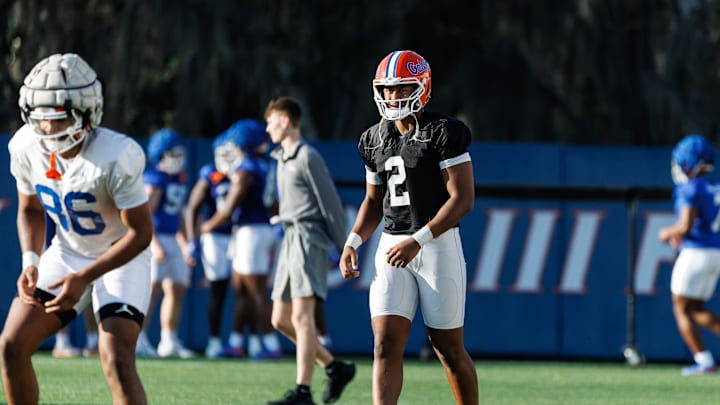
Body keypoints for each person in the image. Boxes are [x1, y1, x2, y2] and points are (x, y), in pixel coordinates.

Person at [0, 52, 152, 404]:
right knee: (12, 345)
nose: (48, 130)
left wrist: (86, 277)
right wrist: (30, 261)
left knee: (116, 357)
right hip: (68, 253)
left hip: (121, 257)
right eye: (40, 120)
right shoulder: (24, 146)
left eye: (58, 118)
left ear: (87, 112)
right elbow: (30, 209)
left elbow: (140, 234)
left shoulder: (117, 154)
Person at [339, 49, 479, 405]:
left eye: (401, 88)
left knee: (447, 348)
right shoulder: (373, 139)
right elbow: (373, 200)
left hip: (436, 244)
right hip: (391, 243)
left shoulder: (443, 132)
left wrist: (419, 240)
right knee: (384, 342)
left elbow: (462, 199)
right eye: (386, 89)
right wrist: (353, 240)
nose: (393, 97)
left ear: (422, 88)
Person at [264, 97, 356, 405]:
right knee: (279, 319)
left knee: (303, 318)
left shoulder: (308, 157)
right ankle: (334, 367)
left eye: (272, 122)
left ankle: (303, 392)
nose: (268, 128)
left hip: (308, 238)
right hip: (289, 238)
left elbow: (331, 205)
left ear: (287, 121)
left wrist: (345, 247)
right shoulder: (281, 158)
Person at [200, 119, 283, 360]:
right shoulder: (265, 165)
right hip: (257, 230)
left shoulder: (246, 169)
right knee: (242, 290)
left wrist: (206, 226)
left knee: (255, 291)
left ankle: (270, 343)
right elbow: (274, 205)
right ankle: (237, 340)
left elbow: (227, 209)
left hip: (250, 232)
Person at [658, 134, 720, 376]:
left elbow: (685, 225)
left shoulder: (690, 188)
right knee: (695, 308)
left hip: (696, 252)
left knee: (681, 307)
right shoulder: (715, 188)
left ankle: (703, 360)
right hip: (716, 252)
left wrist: (666, 233)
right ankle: (704, 360)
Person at [137, 128, 195, 358]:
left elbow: (179, 216)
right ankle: (139, 337)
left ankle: (169, 340)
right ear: (161, 155)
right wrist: (155, 244)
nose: (179, 158)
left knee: (176, 290)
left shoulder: (179, 179)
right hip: (156, 238)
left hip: (173, 238)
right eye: (174, 153)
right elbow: (145, 214)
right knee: (151, 291)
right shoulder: (155, 179)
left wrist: (185, 244)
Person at [185, 130, 236, 358]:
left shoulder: (244, 171)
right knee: (219, 290)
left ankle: (242, 340)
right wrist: (192, 240)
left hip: (239, 234)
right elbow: (193, 207)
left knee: (246, 289)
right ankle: (215, 341)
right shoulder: (210, 174)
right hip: (215, 238)